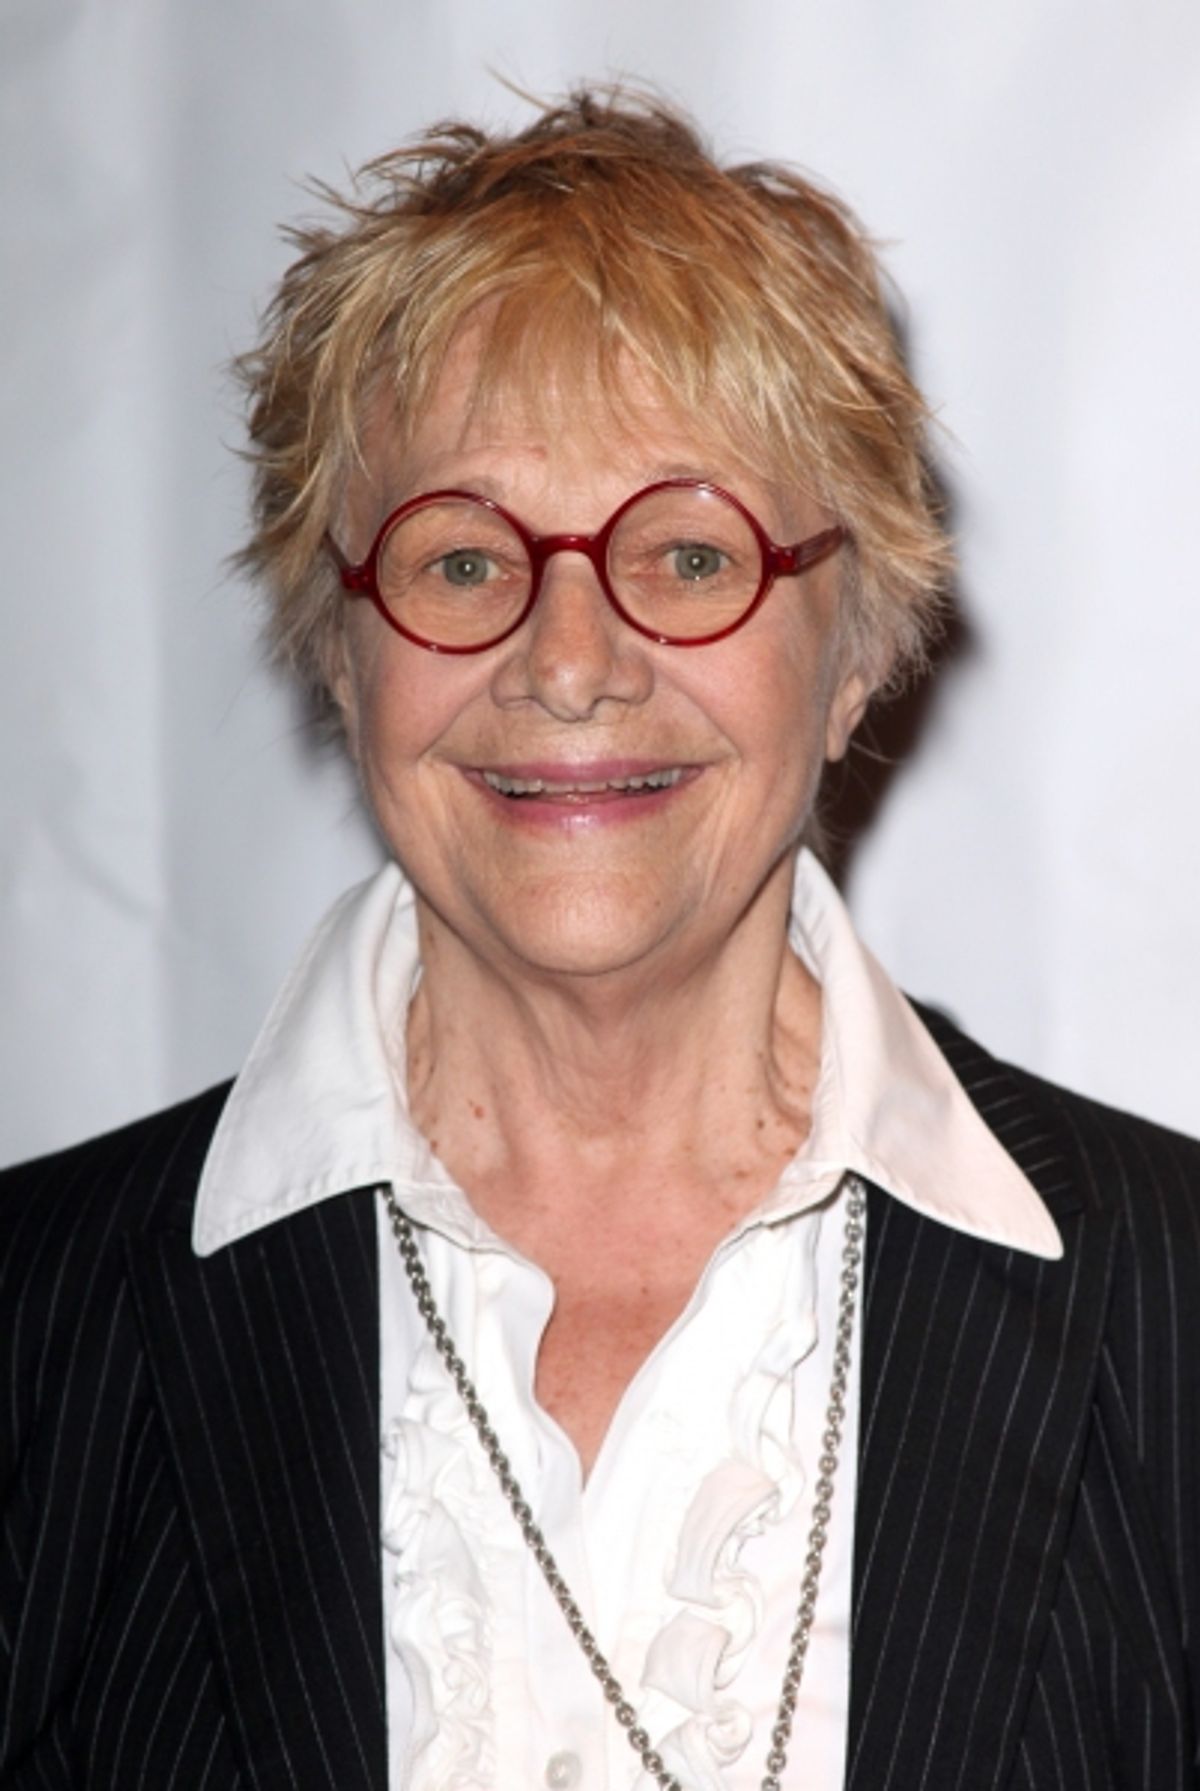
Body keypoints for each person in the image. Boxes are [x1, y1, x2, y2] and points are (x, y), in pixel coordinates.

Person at [2, 89, 1198, 1791]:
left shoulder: (1180, 1313)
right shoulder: (33, 1332)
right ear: (339, 651)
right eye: (466, 558)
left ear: (856, 649)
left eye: (693, 552)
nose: (570, 660)